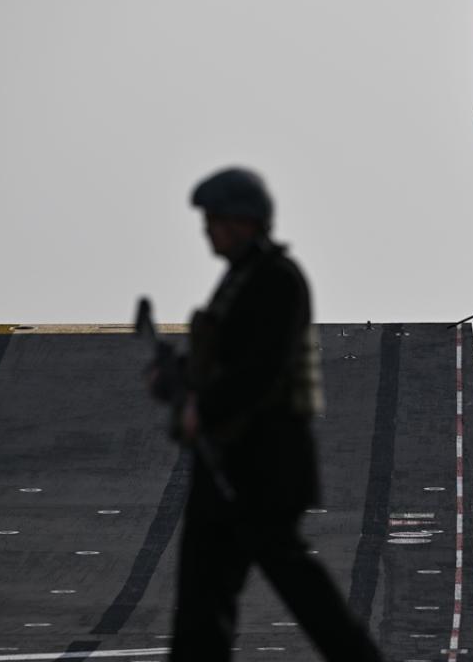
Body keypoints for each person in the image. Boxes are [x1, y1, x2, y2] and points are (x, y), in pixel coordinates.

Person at [152, 167, 384, 662]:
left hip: (264, 464)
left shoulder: (276, 280)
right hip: (229, 460)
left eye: (215, 219)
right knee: (203, 600)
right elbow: (224, 360)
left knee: (295, 586)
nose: (207, 230)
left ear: (243, 221)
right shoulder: (241, 279)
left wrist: (202, 406)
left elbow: (260, 370)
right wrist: (176, 378)